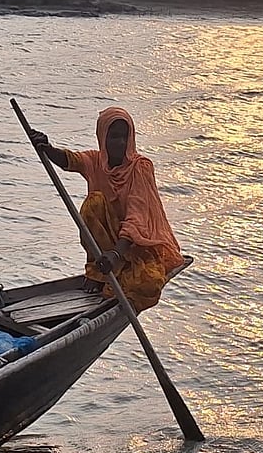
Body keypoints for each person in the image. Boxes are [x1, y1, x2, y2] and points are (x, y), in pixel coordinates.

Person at [29, 107, 184, 312]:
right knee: (94, 202)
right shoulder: (96, 161)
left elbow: (136, 218)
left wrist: (116, 255)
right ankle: (98, 272)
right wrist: (47, 148)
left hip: (134, 246)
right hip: (109, 247)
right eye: (113, 137)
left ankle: (113, 272)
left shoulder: (140, 168)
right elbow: (70, 160)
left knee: (148, 283)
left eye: (124, 136)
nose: (120, 143)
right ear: (103, 137)